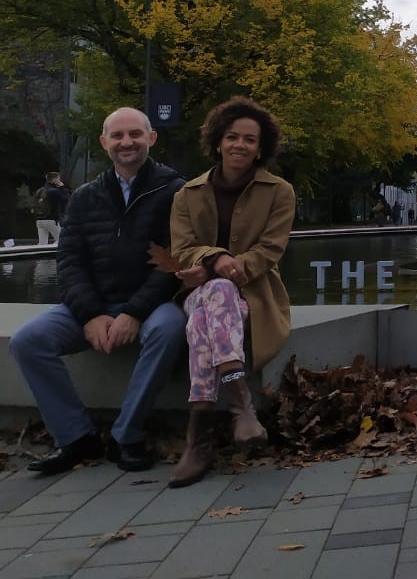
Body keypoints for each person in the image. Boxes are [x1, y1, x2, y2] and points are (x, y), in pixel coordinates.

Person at [10, 108, 186, 475]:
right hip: (95, 305)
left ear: (150, 139)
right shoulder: (86, 196)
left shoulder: (175, 192)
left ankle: (126, 435)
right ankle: (75, 438)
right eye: (117, 136)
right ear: (104, 143)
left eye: (135, 134)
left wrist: (134, 312)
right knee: (28, 340)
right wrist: (90, 315)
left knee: (169, 329)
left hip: (152, 305)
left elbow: (173, 264)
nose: (127, 142)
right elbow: (70, 261)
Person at [167, 97, 295, 488]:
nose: (240, 145)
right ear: (218, 142)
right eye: (232, 137)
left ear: (261, 147)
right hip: (197, 290)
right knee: (216, 290)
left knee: (204, 320)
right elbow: (182, 249)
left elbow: (271, 249)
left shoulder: (279, 192)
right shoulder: (187, 194)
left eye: (250, 140)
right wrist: (215, 257)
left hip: (254, 293)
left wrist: (232, 267)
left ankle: (198, 438)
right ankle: (240, 405)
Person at [34, 171, 71, 245]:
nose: (60, 181)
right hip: (51, 220)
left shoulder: (40, 190)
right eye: (58, 179)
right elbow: (66, 199)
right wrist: (62, 187)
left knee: (42, 244)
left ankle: (42, 256)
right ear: (54, 180)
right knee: (62, 240)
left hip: (39, 220)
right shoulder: (54, 191)